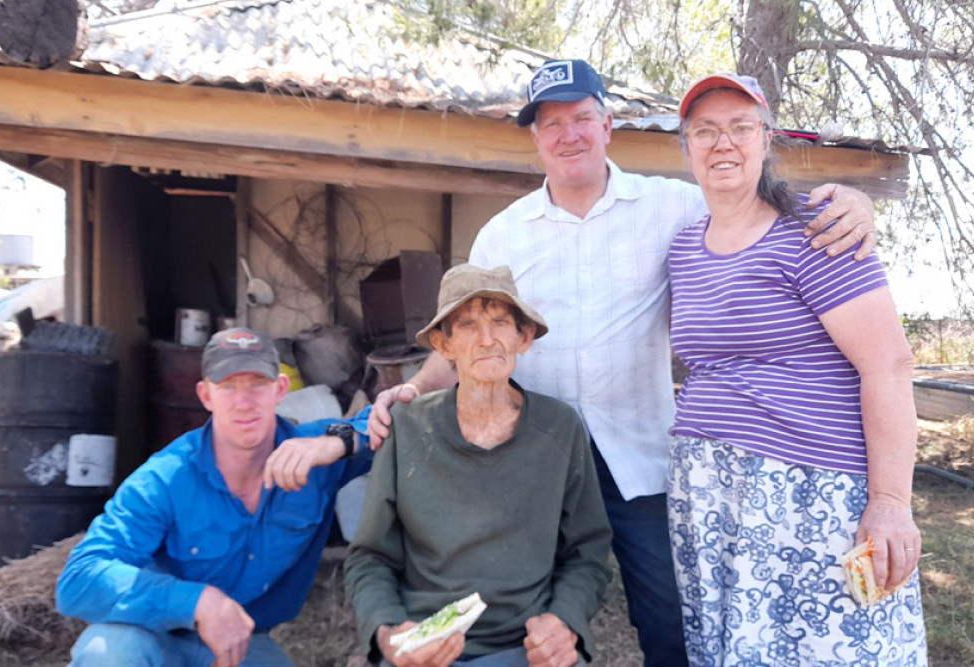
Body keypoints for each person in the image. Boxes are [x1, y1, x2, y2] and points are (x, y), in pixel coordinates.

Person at [366, 59, 880, 666]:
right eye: (551, 123)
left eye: (582, 117)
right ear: (535, 138)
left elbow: (752, 208)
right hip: (534, 463)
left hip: (642, 458)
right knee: (524, 616)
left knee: (670, 620)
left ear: (608, 125)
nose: (569, 134)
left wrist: (847, 202)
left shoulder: (674, 208)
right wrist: (413, 390)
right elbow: (470, 341)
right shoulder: (503, 236)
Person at [667, 73, 927, 665]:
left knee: (834, 649)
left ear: (766, 140)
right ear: (686, 147)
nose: (722, 143)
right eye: (705, 131)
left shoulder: (817, 229)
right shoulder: (683, 245)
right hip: (710, 498)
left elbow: (888, 364)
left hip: (810, 493)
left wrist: (890, 501)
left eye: (740, 127)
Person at [345, 264, 612, 667]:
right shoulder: (408, 427)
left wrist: (564, 622)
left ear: (522, 338)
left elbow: (587, 552)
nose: (487, 339)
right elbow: (369, 557)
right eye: (467, 325)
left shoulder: (559, 429)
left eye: (501, 322)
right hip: (426, 644)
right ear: (444, 344)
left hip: (523, 647)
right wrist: (388, 632)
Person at [56, 327, 372, 667]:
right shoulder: (165, 477)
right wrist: (196, 602)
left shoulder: (313, 453)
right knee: (109, 651)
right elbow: (79, 579)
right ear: (206, 395)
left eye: (257, 384)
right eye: (228, 386)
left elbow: (399, 419)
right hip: (154, 636)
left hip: (243, 646)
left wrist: (340, 442)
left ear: (280, 389)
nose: (244, 401)